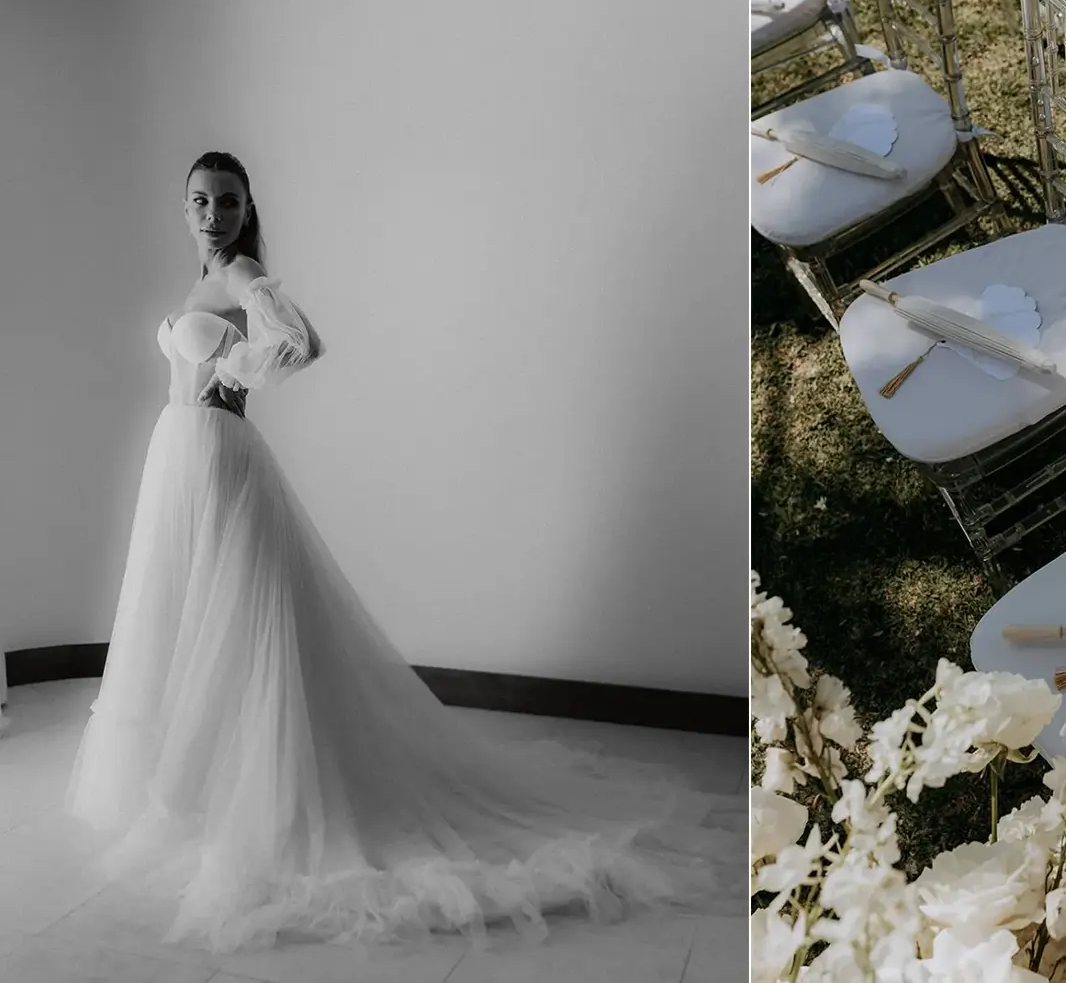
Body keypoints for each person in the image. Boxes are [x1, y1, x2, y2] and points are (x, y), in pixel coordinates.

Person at [62, 152, 742, 955]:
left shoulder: (243, 272)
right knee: (191, 615)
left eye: (228, 202)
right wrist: (212, 374)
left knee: (240, 618)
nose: (213, 213)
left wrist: (233, 375)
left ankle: (266, 790)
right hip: (177, 458)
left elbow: (302, 340)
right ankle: (199, 779)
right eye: (201, 201)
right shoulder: (198, 283)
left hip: (216, 456)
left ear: (248, 212)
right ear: (184, 210)